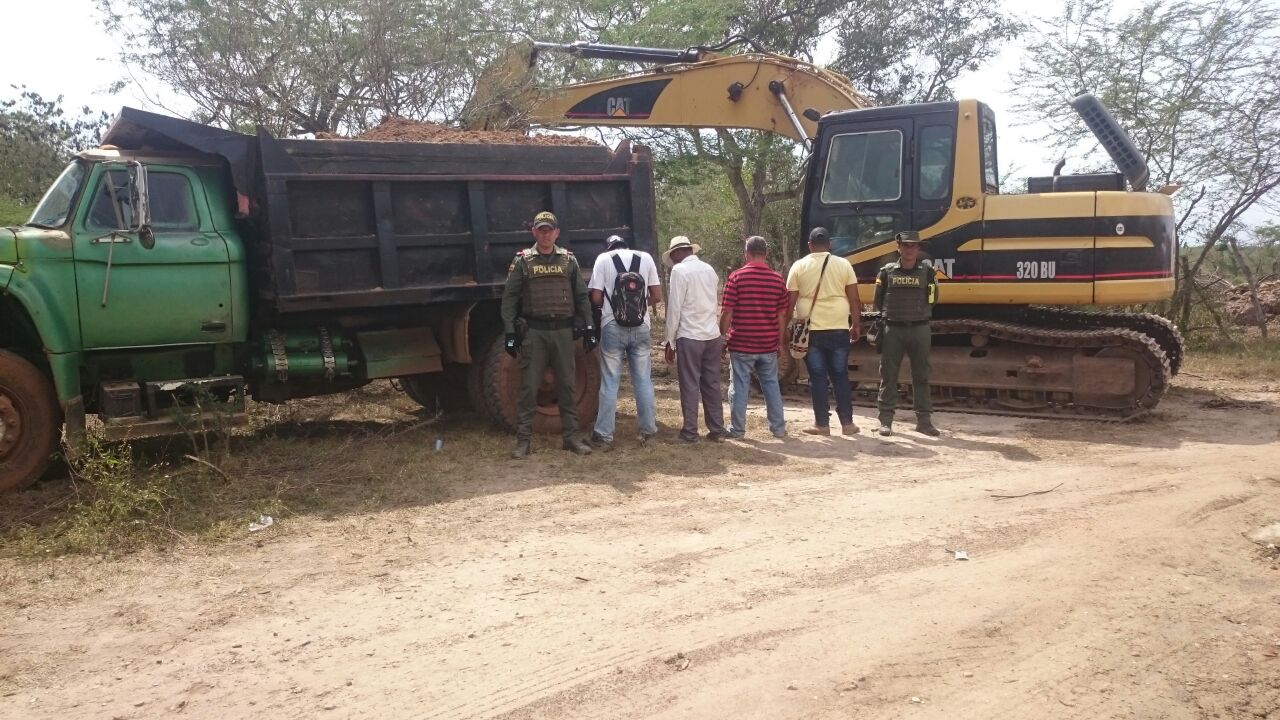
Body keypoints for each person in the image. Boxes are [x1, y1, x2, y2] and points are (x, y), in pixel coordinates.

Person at [501, 211, 596, 458]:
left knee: (566, 385)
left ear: (557, 233)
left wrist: (588, 327)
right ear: (534, 232)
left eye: (549, 230)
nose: (545, 234)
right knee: (529, 388)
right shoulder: (523, 260)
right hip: (535, 333)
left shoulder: (568, 260)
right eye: (541, 230)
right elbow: (509, 298)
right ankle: (523, 441)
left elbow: (581, 296)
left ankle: (571, 438)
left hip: (564, 333)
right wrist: (510, 332)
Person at [587, 234, 663, 450]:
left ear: (609, 247)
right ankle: (649, 432)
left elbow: (595, 298)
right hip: (641, 327)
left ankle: (604, 435)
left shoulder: (603, 259)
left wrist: (614, 308)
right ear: (626, 246)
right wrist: (637, 308)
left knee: (610, 382)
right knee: (643, 381)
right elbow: (656, 295)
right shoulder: (645, 258)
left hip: (612, 326)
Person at [785, 226, 862, 436]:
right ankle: (847, 424)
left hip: (811, 331)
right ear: (830, 244)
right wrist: (856, 325)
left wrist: (786, 328)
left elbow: (789, 301)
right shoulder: (843, 264)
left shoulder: (799, 266)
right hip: (838, 326)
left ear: (810, 245)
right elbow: (854, 298)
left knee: (817, 377)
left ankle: (822, 425)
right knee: (840, 375)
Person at [720, 235, 790, 439]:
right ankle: (778, 428)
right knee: (771, 385)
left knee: (740, 387)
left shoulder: (736, 278)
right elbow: (781, 316)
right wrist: (779, 343)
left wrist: (722, 338)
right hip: (767, 345)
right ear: (766, 254)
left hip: (741, 344)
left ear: (746, 254)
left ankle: (738, 430)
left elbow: (727, 312)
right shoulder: (777, 280)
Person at [873, 230, 941, 436]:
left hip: (920, 328)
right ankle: (885, 421)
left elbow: (932, 298)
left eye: (913, 246)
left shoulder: (929, 273)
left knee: (921, 375)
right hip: (893, 329)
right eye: (905, 245)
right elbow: (878, 300)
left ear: (919, 249)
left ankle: (924, 421)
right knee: (888, 376)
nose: (909, 249)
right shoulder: (886, 272)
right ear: (898, 248)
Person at [663, 235, 726, 443]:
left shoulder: (679, 271)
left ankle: (690, 432)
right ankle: (717, 430)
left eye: (672, 257)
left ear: (676, 253)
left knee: (690, 384)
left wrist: (669, 341)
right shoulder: (709, 270)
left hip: (690, 336)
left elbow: (674, 309)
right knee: (712, 384)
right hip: (711, 334)